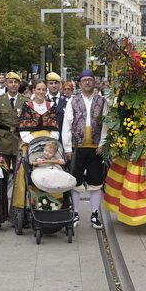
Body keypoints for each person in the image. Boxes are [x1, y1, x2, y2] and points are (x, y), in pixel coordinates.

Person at [62, 69, 111, 230]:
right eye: (85, 80)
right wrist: (68, 147)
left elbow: (106, 124)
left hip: (95, 148)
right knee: (75, 181)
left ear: (94, 82)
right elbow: (67, 125)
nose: (88, 82)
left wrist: (103, 144)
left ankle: (95, 214)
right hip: (78, 147)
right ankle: (75, 213)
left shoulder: (102, 101)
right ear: (80, 83)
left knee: (95, 181)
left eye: (90, 80)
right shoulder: (72, 101)